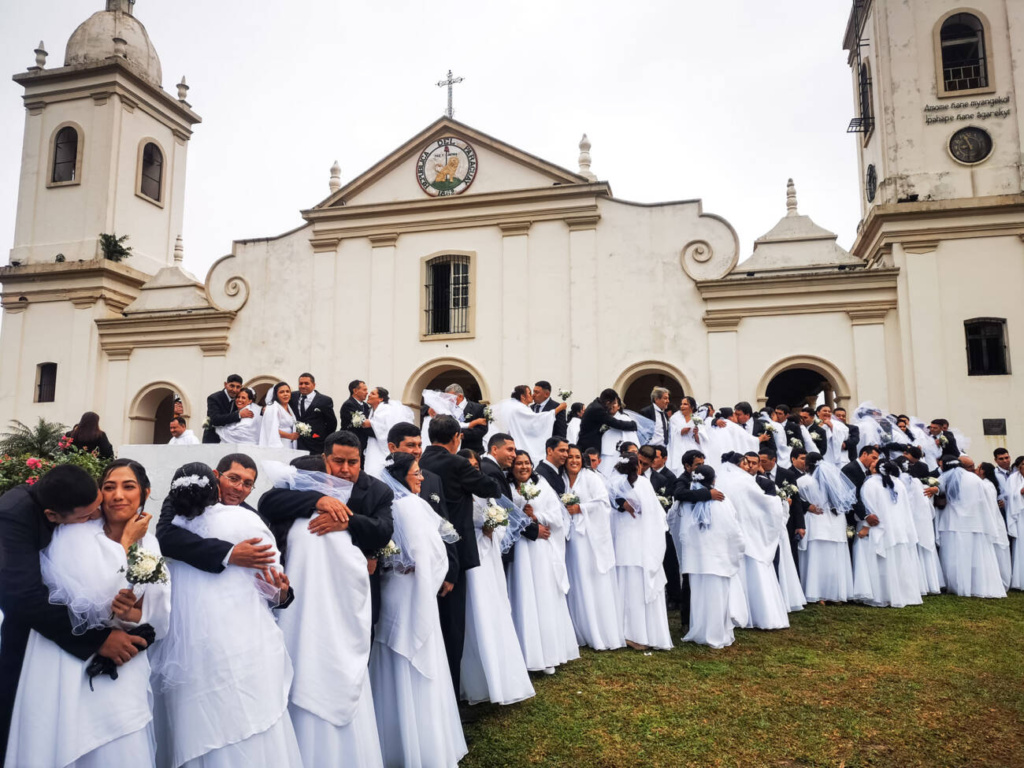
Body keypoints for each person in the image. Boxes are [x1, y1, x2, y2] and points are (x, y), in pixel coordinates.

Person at [4, 461, 167, 767]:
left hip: (122, 659)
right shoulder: (71, 534)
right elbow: (38, 597)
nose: (117, 496)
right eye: (109, 487)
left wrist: (134, 615)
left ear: (145, 493)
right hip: (65, 653)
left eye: (128, 486)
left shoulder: (150, 543)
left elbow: (156, 611)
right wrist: (125, 545)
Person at [151, 462, 301, 768]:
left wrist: (281, 592)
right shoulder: (182, 504)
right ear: (217, 476)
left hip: (242, 630)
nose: (239, 488)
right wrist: (230, 553)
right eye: (234, 478)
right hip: (192, 633)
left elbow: (273, 584)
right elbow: (165, 537)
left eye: (247, 483)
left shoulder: (251, 519)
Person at [267, 456, 383, 768]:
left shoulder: (286, 524)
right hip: (331, 625)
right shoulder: (328, 525)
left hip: (295, 622)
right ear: (323, 484)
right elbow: (356, 574)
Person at [369, 452, 468, 767]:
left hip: (392, 588)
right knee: (418, 652)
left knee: (393, 656)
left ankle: (393, 743)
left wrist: (397, 564)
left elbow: (396, 554)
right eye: (416, 472)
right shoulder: (410, 506)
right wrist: (434, 573)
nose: (422, 477)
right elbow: (427, 552)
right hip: (412, 591)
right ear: (401, 476)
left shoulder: (386, 505)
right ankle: (425, 745)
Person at [259, 430, 394, 625]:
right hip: (307, 580)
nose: (345, 469)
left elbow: (383, 531)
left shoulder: (379, 491)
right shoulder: (309, 476)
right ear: (324, 457)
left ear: (361, 460)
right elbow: (268, 502)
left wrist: (349, 521)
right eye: (338, 461)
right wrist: (318, 499)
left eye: (353, 462)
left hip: (353, 587)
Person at [418, 415, 501, 696]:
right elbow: (491, 488)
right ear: (457, 438)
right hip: (453, 549)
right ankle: (451, 696)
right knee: (453, 628)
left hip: (423, 549)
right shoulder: (456, 463)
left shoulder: (418, 462)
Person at [459, 441, 536, 706]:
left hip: (490, 556)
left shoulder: (484, 494)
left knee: (496, 608)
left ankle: (503, 674)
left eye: (475, 467)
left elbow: (504, 523)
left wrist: (494, 526)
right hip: (474, 562)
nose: (473, 471)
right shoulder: (458, 494)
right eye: (468, 467)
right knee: (476, 612)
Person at [506, 451, 581, 671]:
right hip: (520, 548)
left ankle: (548, 654)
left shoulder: (543, 486)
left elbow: (558, 517)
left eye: (527, 463)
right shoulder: (508, 488)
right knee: (522, 594)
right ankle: (525, 653)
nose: (523, 467)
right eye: (518, 463)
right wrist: (522, 514)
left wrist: (537, 517)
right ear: (512, 468)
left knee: (542, 595)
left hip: (539, 549)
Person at [674, 465, 747, 649]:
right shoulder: (721, 500)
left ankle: (699, 631)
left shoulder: (685, 502)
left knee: (699, 597)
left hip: (696, 559)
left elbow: (672, 521)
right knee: (717, 597)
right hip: (718, 557)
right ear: (713, 480)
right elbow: (733, 528)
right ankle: (717, 634)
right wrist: (737, 549)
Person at [715, 453, 789, 630]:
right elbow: (762, 503)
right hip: (749, 531)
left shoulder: (721, 480)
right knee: (755, 570)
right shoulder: (744, 481)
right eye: (746, 463)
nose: (748, 467)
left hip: (731, 532)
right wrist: (780, 502)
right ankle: (759, 613)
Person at [607, 454, 672, 651]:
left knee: (626, 587)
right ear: (636, 468)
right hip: (639, 543)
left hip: (624, 542)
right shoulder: (642, 484)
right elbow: (653, 514)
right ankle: (640, 634)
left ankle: (626, 632)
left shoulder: (612, 485)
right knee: (636, 587)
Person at [563, 445, 624, 651]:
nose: (573, 461)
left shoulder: (591, 478)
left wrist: (580, 508)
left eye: (577, 457)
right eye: (570, 457)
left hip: (589, 538)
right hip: (571, 538)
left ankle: (597, 631)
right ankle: (579, 627)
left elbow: (604, 505)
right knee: (575, 579)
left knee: (590, 579)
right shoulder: (562, 479)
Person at [852, 461, 924, 608]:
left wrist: (865, 527)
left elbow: (869, 507)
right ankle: (901, 594)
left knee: (880, 563)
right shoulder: (899, 483)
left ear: (875, 469)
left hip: (880, 528)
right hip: (898, 528)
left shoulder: (871, 483)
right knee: (898, 562)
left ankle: (882, 594)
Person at [797, 453, 858, 603]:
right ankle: (837, 593)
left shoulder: (804, 481)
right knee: (835, 559)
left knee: (816, 559)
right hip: (836, 521)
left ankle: (817, 593)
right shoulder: (835, 481)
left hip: (817, 520)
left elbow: (799, 500)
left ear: (807, 465)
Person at [364, 386, 414, 478]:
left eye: (373, 394)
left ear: (380, 399)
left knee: (377, 467)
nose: (369, 395)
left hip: (380, 444)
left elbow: (387, 427)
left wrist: (371, 423)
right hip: (374, 443)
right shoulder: (371, 410)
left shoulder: (385, 408)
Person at [578, 388, 637, 456]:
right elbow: (614, 423)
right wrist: (632, 425)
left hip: (587, 443)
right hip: (589, 445)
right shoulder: (598, 409)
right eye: (613, 403)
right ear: (608, 402)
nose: (611, 407)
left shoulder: (595, 404)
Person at [294, 372, 337, 455]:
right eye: (300, 383)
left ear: (313, 385)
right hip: (296, 444)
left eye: (306, 383)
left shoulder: (324, 400)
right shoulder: (293, 397)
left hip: (316, 445)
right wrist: (265, 407)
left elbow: (332, 424)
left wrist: (320, 437)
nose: (303, 386)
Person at [203, 374, 250, 444]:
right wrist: (238, 415)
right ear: (225, 384)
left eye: (238, 387)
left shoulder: (238, 400)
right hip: (214, 441)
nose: (234, 390)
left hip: (231, 441)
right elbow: (215, 419)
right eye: (232, 386)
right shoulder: (214, 398)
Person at [444, 384, 489, 454]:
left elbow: (482, 429)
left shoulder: (479, 408)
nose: (448, 400)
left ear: (460, 396)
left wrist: (463, 434)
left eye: (450, 397)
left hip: (472, 451)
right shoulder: (446, 410)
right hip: (451, 452)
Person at [260, 381, 299, 449]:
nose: (285, 394)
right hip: (278, 443)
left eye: (287, 391)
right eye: (282, 392)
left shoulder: (290, 408)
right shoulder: (273, 407)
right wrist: (289, 436)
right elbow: (270, 428)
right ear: (276, 395)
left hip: (290, 444)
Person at [340, 379, 373, 456]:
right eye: (364, 390)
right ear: (355, 391)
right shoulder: (349, 405)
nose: (367, 392)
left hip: (364, 442)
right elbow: (360, 423)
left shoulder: (365, 405)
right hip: (351, 442)